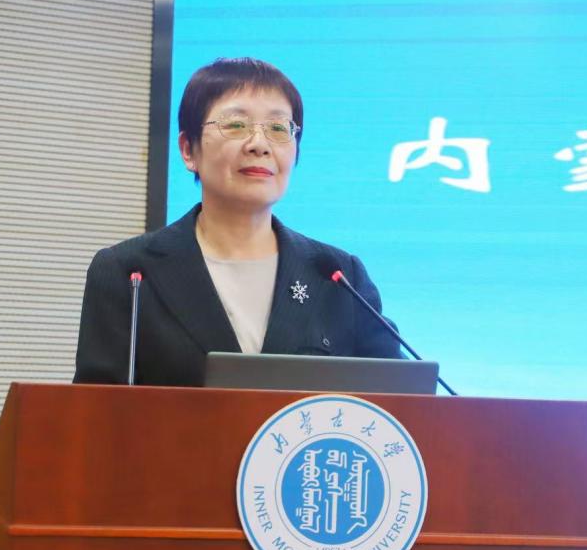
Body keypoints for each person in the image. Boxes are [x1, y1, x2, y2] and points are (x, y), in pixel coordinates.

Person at [73, 57, 401, 386]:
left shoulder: (339, 277)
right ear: (188, 150)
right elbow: (93, 409)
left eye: (278, 128)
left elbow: (400, 396)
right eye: (235, 125)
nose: (259, 145)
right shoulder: (129, 273)